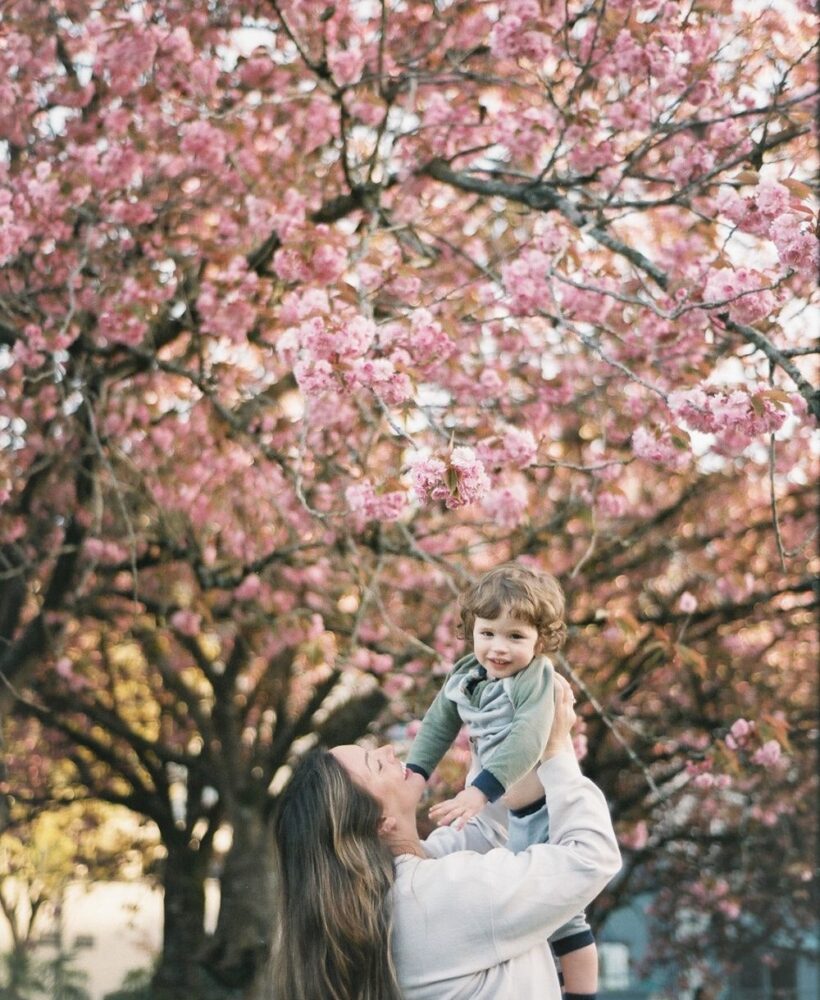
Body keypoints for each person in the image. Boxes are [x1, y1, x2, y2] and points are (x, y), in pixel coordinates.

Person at [270, 673, 621, 1000]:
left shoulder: (403, 891)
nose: (388, 751)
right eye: (375, 764)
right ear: (380, 823)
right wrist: (558, 748)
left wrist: (492, 718)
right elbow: (590, 857)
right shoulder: (433, 899)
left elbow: (485, 827)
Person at [405, 561, 600, 1000]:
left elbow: (530, 737)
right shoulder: (466, 676)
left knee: (567, 920)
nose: (498, 647)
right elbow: (437, 723)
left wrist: (480, 790)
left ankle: (583, 994)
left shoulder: (535, 679)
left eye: (516, 637)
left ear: (540, 641)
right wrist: (415, 772)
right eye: (488, 633)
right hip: (502, 814)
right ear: (471, 629)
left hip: (540, 810)